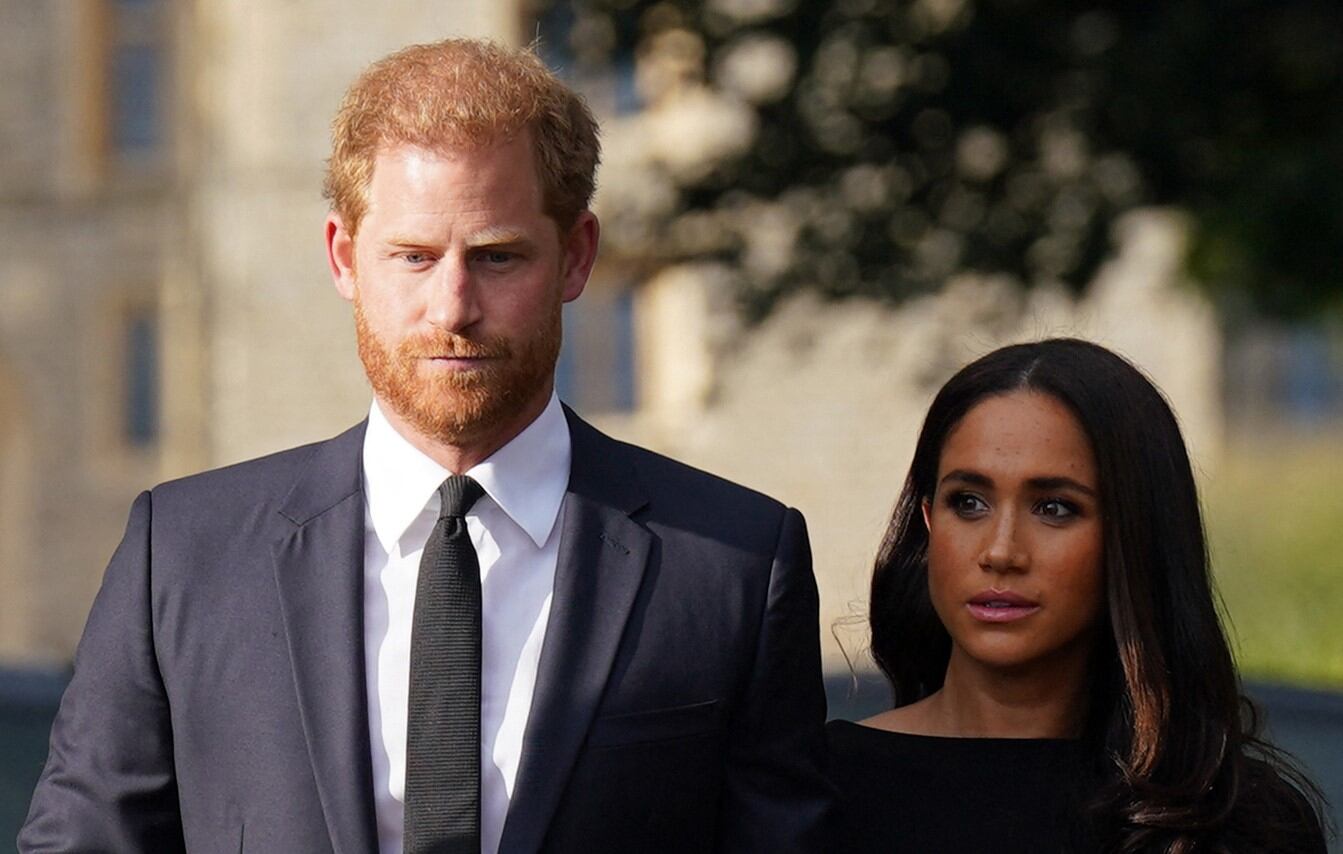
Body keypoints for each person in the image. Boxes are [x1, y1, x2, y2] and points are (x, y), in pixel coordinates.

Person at [20, 38, 830, 853]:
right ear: (344, 257)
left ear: (576, 256)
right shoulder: (183, 553)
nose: (452, 307)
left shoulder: (733, 564)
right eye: (412, 257)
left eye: (497, 257)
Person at [828, 338, 1329, 853]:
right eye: (969, 502)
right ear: (929, 519)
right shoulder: (816, 793)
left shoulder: (1236, 822)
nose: (1000, 551)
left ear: (1134, 536)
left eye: (1054, 508)